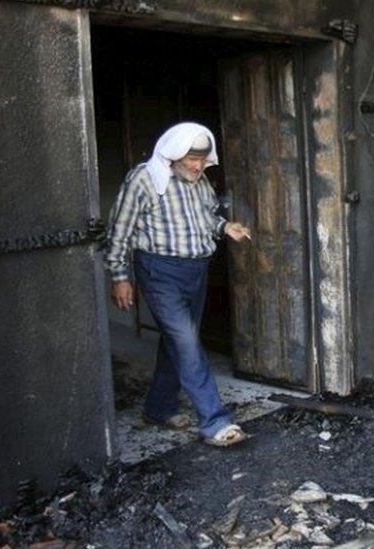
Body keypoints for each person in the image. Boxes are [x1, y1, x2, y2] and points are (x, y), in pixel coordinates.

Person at [104, 121, 252, 447]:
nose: (198, 166)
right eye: (191, 160)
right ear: (173, 156)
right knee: (186, 342)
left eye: (201, 159)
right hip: (160, 272)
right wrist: (120, 277)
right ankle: (215, 421)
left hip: (195, 272)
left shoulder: (199, 182)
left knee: (178, 341)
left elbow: (205, 218)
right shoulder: (144, 179)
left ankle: (158, 408)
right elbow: (119, 231)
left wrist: (225, 227)